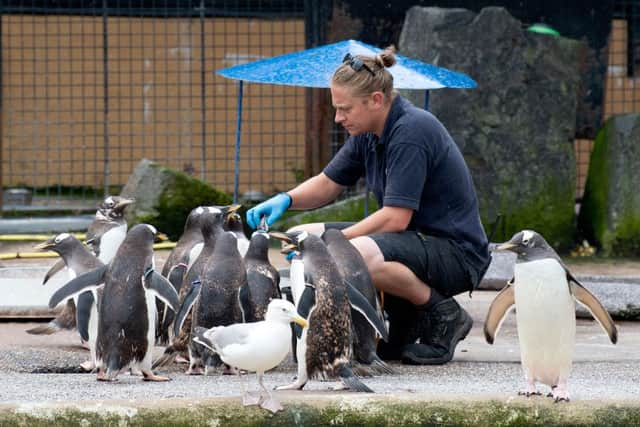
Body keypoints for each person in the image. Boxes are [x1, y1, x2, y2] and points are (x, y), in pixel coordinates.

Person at [246, 47, 491, 365]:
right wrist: (287, 200)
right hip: (413, 242)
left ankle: (444, 315)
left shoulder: (411, 131)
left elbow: (395, 219)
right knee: (300, 235)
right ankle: (403, 322)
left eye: (345, 108)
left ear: (376, 100)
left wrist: (332, 243)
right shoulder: (369, 133)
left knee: (358, 251)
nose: (338, 117)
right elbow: (327, 184)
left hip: (457, 253)